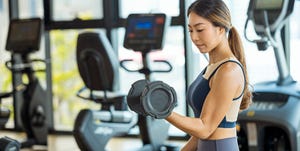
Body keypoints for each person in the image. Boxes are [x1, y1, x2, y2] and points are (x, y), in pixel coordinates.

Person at [165, 0, 252, 150]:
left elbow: (205, 128)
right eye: (190, 30)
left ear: (220, 29)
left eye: (200, 30)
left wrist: (164, 112)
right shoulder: (212, 68)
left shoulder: (229, 70)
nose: (194, 37)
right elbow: (198, 135)